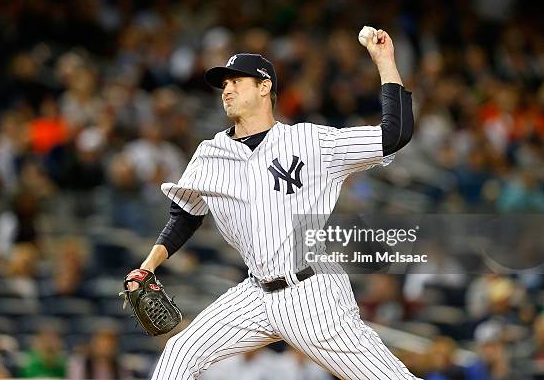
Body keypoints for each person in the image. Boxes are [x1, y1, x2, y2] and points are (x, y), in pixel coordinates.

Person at [125, 28, 419, 379]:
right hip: (255, 294)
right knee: (180, 352)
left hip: (310, 293)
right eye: (224, 84)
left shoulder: (309, 141)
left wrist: (384, 61)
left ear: (264, 87)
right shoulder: (209, 154)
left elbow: (394, 134)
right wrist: (148, 266)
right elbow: (185, 214)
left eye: (237, 81)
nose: (227, 89)